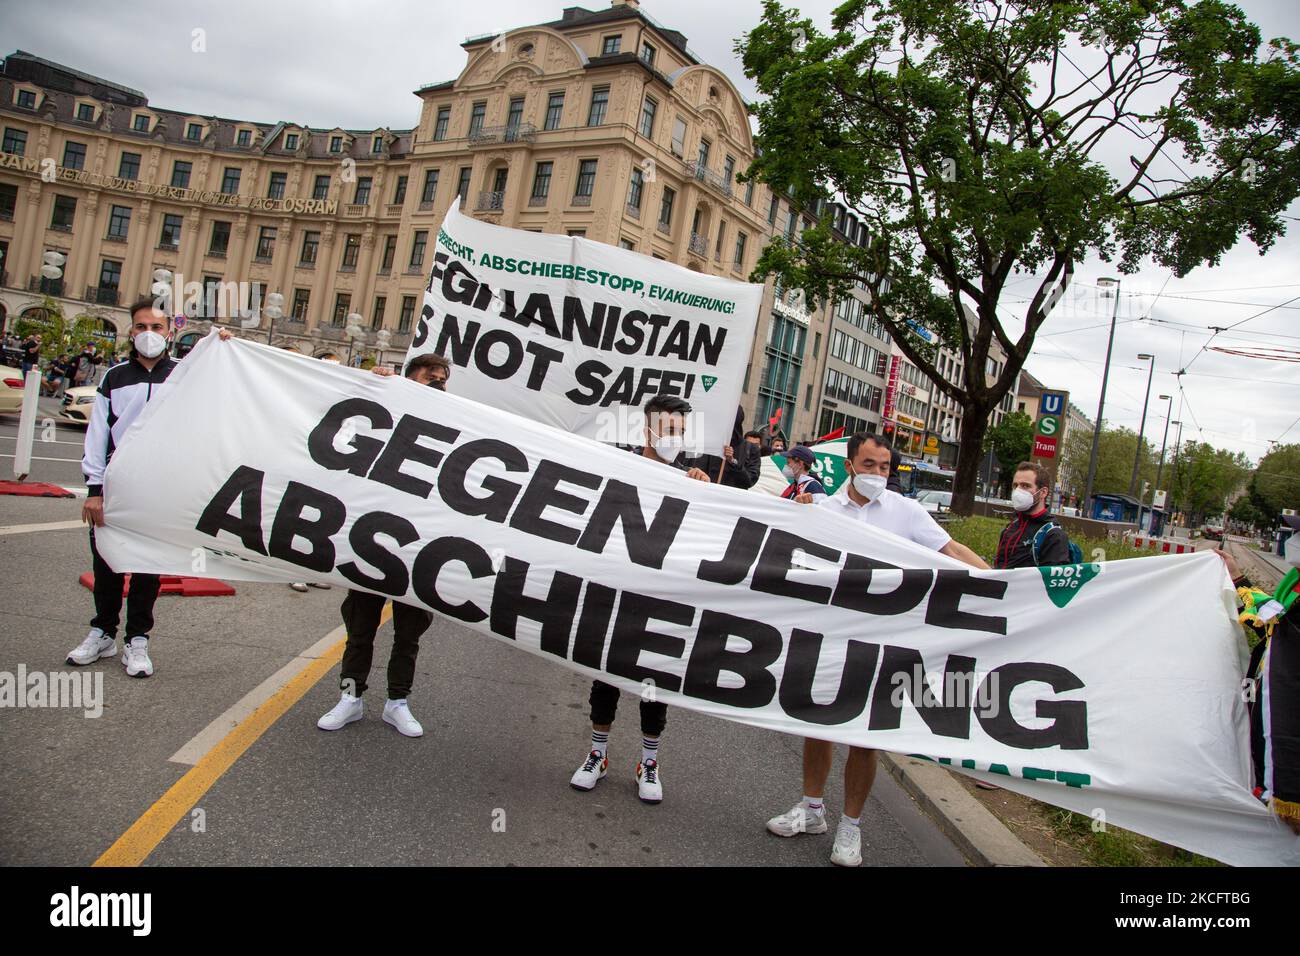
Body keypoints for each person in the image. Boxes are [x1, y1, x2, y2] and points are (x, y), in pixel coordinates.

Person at [769, 432, 990, 866]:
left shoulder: (906, 513)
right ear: (850, 465)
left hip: (883, 641)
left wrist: (1004, 582)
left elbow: (952, 550)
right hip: (830, 637)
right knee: (817, 725)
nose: (877, 474)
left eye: (884, 467)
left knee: (865, 737)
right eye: (869, 465)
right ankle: (812, 809)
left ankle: (851, 827)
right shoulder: (824, 510)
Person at [570, 394, 710, 803]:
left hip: (661, 602)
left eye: (680, 432)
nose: (675, 438)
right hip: (615, 594)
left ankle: (649, 762)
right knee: (607, 677)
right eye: (668, 429)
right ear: (647, 429)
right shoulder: (619, 466)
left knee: (653, 684)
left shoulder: (691, 481)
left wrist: (706, 491)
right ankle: (597, 753)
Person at [315, 352, 452, 737]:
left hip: (417, 550)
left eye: (443, 378)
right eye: (430, 377)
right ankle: (350, 696)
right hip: (371, 543)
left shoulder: (453, 420)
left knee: (408, 635)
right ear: (409, 378)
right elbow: (332, 399)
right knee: (360, 629)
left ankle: (398, 702)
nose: (438, 383)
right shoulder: (386, 404)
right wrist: (372, 382)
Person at [66, 300, 177, 678]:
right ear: (131, 331)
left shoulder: (185, 375)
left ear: (170, 332)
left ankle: (138, 639)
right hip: (115, 486)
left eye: (157, 327)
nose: (149, 333)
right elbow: (97, 435)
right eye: (141, 326)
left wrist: (226, 344)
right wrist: (94, 488)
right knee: (107, 560)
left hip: (159, 487)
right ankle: (102, 631)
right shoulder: (114, 377)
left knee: (148, 564)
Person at [1219, 525, 1300, 836]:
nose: (1293, 543)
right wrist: (1238, 579)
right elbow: (1272, 629)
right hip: (1267, 705)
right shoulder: (1293, 584)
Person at [994, 462, 1072, 569]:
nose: (1018, 491)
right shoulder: (1011, 527)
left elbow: (1052, 581)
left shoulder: (1053, 535)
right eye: (1015, 486)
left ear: (1043, 492)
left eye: (1025, 486)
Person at [686, 407, 760, 489]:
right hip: (702, 495)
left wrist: (733, 462)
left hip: (729, 499)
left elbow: (749, 481)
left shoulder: (750, 449)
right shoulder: (703, 443)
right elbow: (689, 470)